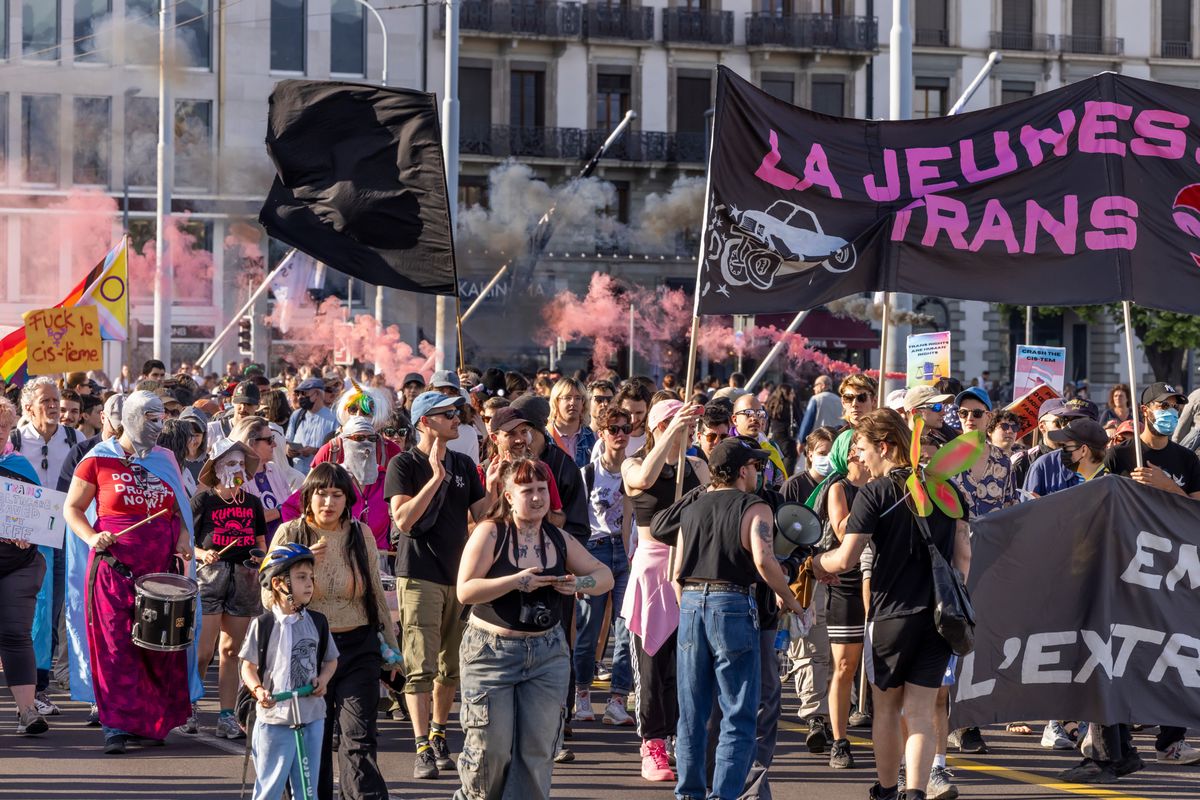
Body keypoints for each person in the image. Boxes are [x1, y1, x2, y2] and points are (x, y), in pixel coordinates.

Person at [813, 409, 972, 800]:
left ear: (884, 446)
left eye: (863, 448)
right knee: (919, 713)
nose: (860, 458)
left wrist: (816, 564)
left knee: (885, 709)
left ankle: (886, 790)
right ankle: (915, 792)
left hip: (891, 614)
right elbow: (963, 556)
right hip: (939, 618)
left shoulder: (876, 492)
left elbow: (847, 558)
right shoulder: (945, 488)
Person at [454, 459, 613, 800]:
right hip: (491, 652)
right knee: (489, 752)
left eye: (542, 490)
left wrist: (577, 583)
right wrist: (516, 581)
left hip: (547, 653)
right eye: (528, 491)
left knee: (536, 752)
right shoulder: (491, 532)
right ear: (509, 496)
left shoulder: (557, 537)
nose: (538, 498)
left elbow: (605, 577)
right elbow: (465, 590)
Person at [672, 437, 807, 800]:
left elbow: (676, 572)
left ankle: (688, 794)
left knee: (692, 711)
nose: (759, 472)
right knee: (738, 710)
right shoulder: (755, 506)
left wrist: (688, 606)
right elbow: (765, 561)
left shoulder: (693, 506)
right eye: (756, 466)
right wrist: (792, 600)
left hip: (690, 602)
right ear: (743, 470)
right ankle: (725, 795)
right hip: (732, 601)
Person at [63, 390, 195, 754]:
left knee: (157, 648)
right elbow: (72, 509)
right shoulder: (97, 460)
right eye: (150, 418)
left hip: (160, 572)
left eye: (160, 418)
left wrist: (184, 536)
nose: (158, 426)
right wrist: (92, 535)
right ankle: (115, 724)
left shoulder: (167, 459)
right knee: (115, 647)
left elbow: (181, 509)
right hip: (114, 570)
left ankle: (149, 722)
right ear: (131, 418)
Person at [266, 463, 402, 800]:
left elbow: (374, 592)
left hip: (359, 645)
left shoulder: (361, 533)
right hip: (307, 649)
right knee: (315, 741)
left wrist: (393, 650)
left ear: (347, 499)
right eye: (321, 494)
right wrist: (298, 563)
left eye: (336, 495)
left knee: (360, 738)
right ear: (308, 497)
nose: (328, 502)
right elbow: (267, 594)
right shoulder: (290, 533)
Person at [385, 390, 490, 780]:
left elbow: (484, 517)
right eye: (448, 414)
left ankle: (439, 732)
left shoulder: (464, 462)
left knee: (452, 667)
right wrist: (436, 479)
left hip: (459, 578)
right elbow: (403, 521)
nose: (457, 418)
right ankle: (421, 746)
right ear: (425, 421)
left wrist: (495, 488)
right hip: (418, 576)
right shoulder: (404, 464)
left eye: (457, 413)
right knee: (420, 667)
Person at [621, 398, 707, 782]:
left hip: (690, 569)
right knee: (653, 665)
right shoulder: (634, 463)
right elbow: (641, 482)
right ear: (657, 427)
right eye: (674, 425)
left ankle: (680, 737)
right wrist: (671, 431)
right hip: (653, 572)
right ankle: (652, 744)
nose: (683, 431)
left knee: (687, 664)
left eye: (686, 425)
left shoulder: (698, 466)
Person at [241, 543, 339, 800]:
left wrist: (324, 679)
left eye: (311, 578)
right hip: (275, 719)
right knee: (270, 788)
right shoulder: (263, 625)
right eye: (301, 577)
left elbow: (330, 660)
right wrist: (259, 690)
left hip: (311, 716)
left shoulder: (317, 622)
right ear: (278, 584)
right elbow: (247, 667)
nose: (309, 584)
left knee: (308, 790)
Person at [192, 440, 268, 739]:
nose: (237, 470)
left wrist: (260, 557)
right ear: (217, 468)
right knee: (203, 651)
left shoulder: (252, 503)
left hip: (244, 579)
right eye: (231, 464)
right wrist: (203, 554)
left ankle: (226, 714)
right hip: (210, 578)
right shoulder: (204, 502)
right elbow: (185, 542)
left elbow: (260, 542)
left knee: (232, 650)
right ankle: (190, 705)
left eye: (241, 465)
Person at [807, 429, 871, 769]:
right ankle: (839, 740)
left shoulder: (884, 483)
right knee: (844, 665)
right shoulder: (839, 488)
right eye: (857, 450)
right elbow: (844, 530)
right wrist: (869, 501)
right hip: (844, 581)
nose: (862, 455)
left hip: (880, 579)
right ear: (848, 455)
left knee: (879, 668)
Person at [573, 405, 636, 727]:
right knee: (588, 629)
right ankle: (582, 694)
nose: (621, 434)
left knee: (626, 632)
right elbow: (578, 522)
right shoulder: (587, 473)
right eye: (614, 429)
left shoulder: (634, 470)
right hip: (594, 552)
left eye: (627, 428)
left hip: (626, 555)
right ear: (602, 434)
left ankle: (617, 699)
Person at [0, 396, 51, 736]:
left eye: (3, 426)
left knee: (16, 633)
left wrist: (27, 536)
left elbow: (41, 513)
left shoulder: (20, 465)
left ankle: (27, 711)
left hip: (18, 564)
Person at [291, 417, 394, 553]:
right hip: (337, 554)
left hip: (380, 557)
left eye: (372, 439)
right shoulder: (333, 477)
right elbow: (291, 506)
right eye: (358, 438)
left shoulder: (385, 478)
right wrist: (307, 542)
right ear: (345, 442)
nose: (366, 443)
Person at [233, 417, 304, 540]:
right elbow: (244, 521)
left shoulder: (274, 469)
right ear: (251, 443)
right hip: (255, 552)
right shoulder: (235, 477)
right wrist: (281, 511)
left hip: (284, 545)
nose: (275, 444)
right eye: (269, 440)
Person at [731, 392, 788, 490]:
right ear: (735, 419)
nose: (755, 418)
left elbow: (777, 482)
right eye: (748, 413)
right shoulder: (727, 447)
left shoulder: (770, 448)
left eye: (759, 414)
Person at [286, 378, 339, 474]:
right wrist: (289, 450)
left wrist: (315, 451)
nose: (300, 397)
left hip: (319, 475)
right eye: (298, 394)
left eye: (304, 394)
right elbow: (288, 441)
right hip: (296, 475)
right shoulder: (297, 415)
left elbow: (336, 450)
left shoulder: (333, 418)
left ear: (318, 394)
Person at [548, 377, 595, 468]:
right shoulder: (545, 437)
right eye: (567, 397)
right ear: (556, 401)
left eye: (578, 398)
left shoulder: (591, 437)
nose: (573, 402)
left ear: (583, 403)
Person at [782, 426, 835, 503]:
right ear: (810, 455)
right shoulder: (794, 485)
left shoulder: (840, 484)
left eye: (832, 454)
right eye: (822, 453)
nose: (828, 458)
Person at [798, 375, 844, 444]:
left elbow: (807, 423)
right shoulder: (840, 400)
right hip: (838, 440)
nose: (814, 388)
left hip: (819, 440)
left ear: (822, 385)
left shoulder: (816, 399)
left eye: (815, 385)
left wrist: (801, 441)